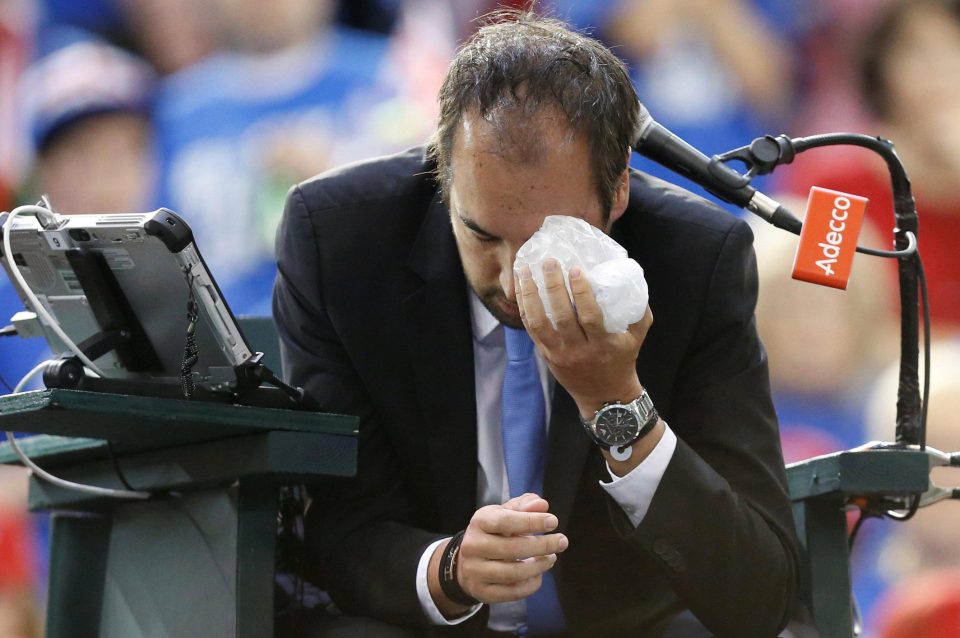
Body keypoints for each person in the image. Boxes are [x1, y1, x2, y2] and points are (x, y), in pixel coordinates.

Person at [273, 12, 799, 637]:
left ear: (620, 191)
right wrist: (450, 570)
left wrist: (617, 403)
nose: (514, 274)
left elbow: (758, 595)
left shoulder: (697, 260)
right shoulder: (339, 240)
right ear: (444, 174)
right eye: (481, 233)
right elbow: (337, 530)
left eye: (548, 236)